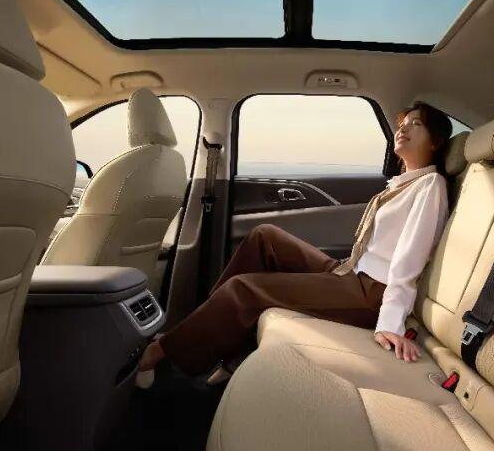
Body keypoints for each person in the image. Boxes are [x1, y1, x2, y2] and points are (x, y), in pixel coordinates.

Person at [137, 101, 452, 380]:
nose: (403, 129)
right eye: (402, 124)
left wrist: (390, 324)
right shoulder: (402, 184)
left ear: (435, 140)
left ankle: (163, 353)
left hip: (371, 293)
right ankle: (217, 334)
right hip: (350, 271)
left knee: (243, 288)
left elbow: (410, 261)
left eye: (415, 124)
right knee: (265, 236)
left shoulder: (430, 186)